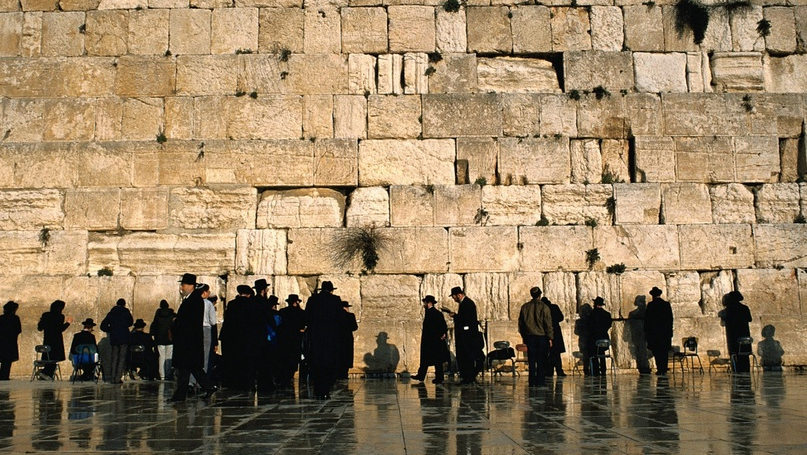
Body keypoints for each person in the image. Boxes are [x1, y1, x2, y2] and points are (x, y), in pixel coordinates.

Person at [170, 273, 217, 402]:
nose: (182, 287)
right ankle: (206, 387)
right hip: (187, 339)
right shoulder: (191, 299)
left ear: (191, 286)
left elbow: (190, 320)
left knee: (189, 367)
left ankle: (184, 394)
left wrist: (177, 322)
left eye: (184, 285)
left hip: (189, 340)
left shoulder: (195, 300)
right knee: (189, 367)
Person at [305, 281, 343, 399]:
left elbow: (307, 318)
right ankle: (325, 391)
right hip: (331, 338)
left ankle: (318, 391)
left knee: (317, 363)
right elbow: (340, 319)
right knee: (328, 364)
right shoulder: (335, 300)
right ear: (331, 290)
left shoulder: (313, 300)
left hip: (316, 337)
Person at [220, 285, 256, 390]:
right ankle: (246, 382)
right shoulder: (251, 304)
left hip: (232, 337)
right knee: (245, 361)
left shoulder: (232, 304)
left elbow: (227, 321)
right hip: (246, 337)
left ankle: (232, 382)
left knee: (233, 360)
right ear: (248, 294)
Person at [448, 287, 484, 384]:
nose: (454, 299)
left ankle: (468, 377)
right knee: (465, 356)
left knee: (466, 357)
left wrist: (455, 316)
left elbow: (466, 320)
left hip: (467, 336)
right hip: (466, 335)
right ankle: (467, 377)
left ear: (459, 295)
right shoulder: (465, 303)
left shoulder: (467, 303)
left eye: (454, 297)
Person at [518, 287, 553, 387]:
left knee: (532, 360)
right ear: (539, 295)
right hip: (542, 337)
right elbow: (548, 323)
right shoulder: (544, 307)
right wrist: (550, 337)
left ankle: (532, 381)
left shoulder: (525, 307)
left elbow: (521, 324)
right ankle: (540, 381)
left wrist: (524, 336)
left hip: (530, 337)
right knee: (541, 360)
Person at [411, 295, 449, 384]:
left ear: (429, 303)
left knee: (436, 360)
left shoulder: (434, 313)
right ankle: (422, 375)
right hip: (431, 340)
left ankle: (438, 377)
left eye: (425, 303)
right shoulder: (432, 313)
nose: (424, 305)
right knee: (428, 359)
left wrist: (442, 334)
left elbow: (442, 326)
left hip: (433, 341)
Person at [100, 298, 134, 384]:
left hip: (114, 337)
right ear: (124, 304)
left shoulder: (111, 313)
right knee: (122, 358)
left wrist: (110, 330)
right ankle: (117, 378)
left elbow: (103, 326)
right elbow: (130, 323)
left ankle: (112, 378)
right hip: (124, 337)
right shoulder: (126, 312)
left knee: (114, 357)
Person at [36, 300, 72, 380]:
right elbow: (59, 329)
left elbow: (40, 328)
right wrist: (68, 323)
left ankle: (45, 373)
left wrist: (41, 320)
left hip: (47, 340)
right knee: (54, 359)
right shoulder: (60, 316)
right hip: (56, 340)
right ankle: (46, 373)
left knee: (48, 357)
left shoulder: (45, 315)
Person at [277, 294, 306, 388]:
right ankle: (290, 375)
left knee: (285, 358)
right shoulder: (301, 313)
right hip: (296, 338)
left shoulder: (282, 312)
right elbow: (303, 325)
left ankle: (284, 377)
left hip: (284, 338)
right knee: (294, 358)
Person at [644, 287, 673, 376]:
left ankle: (660, 368)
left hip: (654, 333)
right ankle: (664, 368)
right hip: (665, 333)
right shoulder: (666, 305)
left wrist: (646, 332)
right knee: (664, 351)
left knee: (657, 352)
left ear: (652, 295)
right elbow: (670, 319)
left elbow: (647, 320)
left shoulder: (651, 305)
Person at [722, 290, 752, 373]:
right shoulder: (745, 308)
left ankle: (737, 370)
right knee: (744, 354)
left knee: (735, 353)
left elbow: (727, 321)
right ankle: (746, 369)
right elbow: (749, 319)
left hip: (734, 334)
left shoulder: (729, 309)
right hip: (744, 333)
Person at [150, 299, 175, 380]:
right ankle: (168, 374)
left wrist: (153, 336)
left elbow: (153, 326)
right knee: (169, 357)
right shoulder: (172, 315)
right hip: (170, 339)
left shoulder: (157, 316)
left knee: (161, 357)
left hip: (160, 339)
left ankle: (162, 375)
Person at [588, 297, 613, 376]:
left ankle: (595, 371)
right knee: (602, 353)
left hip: (594, 338)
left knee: (594, 353)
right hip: (604, 337)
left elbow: (589, 326)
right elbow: (609, 325)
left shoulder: (592, 314)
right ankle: (603, 370)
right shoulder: (607, 314)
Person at [543, 296, 566, 377]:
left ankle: (549, 371)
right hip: (556, 332)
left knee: (548, 353)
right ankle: (559, 370)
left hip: (546, 332)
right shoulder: (554, 307)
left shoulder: (543, 308)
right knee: (556, 353)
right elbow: (561, 318)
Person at [0, 301, 22, 380]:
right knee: (7, 361)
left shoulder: (1, 318)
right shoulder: (15, 318)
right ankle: (4, 376)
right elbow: (18, 330)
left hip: (1, 342)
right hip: (10, 342)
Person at [337, 301, 358, 380]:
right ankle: (344, 373)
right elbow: (355, 327)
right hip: (347, 338)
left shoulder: (336, 316)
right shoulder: (350, 316)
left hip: (338, 338)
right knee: (347, 355)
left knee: (338, 355)